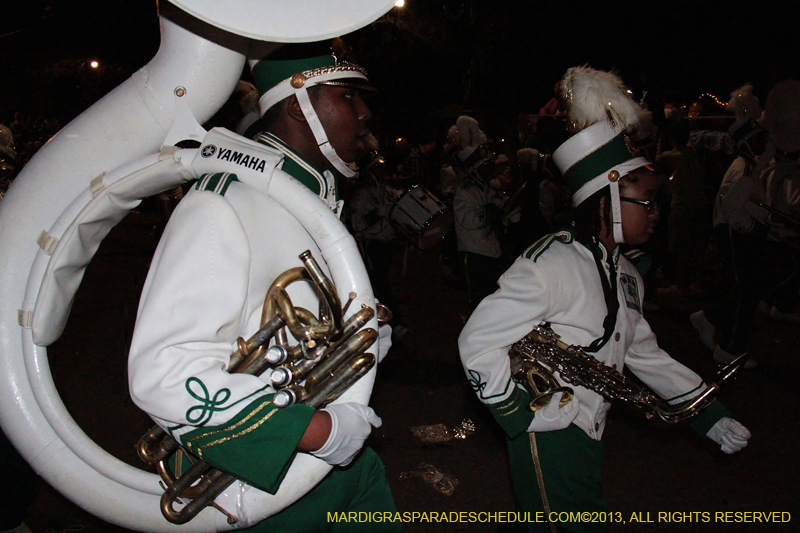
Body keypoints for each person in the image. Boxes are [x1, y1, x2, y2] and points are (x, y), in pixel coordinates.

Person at [459, 67, 750, 533]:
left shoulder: (628, 273)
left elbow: (643, 352)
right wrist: (519, 413)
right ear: (608, 199)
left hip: (590, 428)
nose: (657, 213)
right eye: (647, 201)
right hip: (548, 429)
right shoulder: (549, 263)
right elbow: (477, 339)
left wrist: (707, 416)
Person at [128, 40, 399, 531]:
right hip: (262, 485)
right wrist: (317, 432)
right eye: (347, 97)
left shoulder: (310, 198)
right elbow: (162, 370)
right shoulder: (226, 200)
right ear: (300, 106)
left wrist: (355, 334)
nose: (364, 113)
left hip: (341, 469)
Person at [691, 80, 800, 366]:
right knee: (745, 291)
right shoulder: (743, 168)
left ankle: (710, 321)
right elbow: (732, 208)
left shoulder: (753, 165)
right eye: (757, 141)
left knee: (748, 291)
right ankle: (729, 350)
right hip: (735, 233)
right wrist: (753, 230)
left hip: (739, 233)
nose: (763, 145)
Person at [451, 115, 507, 314]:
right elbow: (469, 220)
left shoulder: (485, 188)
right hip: (474, 255)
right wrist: (493, 210)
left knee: (491, 300)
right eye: (487, 164)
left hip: (490, 251)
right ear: (478, 168)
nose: (492, 167)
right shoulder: (465, 191)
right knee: (477, 302)